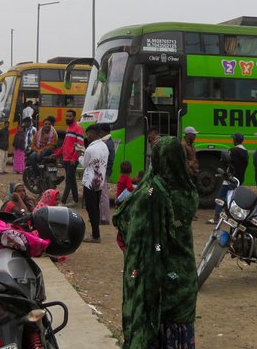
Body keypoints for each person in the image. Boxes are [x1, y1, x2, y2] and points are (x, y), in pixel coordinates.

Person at [113, 136, 198, 348]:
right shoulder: (190, 192)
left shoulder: (149, 193)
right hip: (183, 276)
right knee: (180, 328)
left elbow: (125, 220)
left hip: (156, 279)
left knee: (154, 327)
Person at [208, 132, 249, 224]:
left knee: (220, 198)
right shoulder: (245, 152)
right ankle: (235, 218)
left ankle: (216, 218)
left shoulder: (233, 150)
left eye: (233, 138)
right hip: (239, 179)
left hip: (229, 179)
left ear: (235, 140)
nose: (232, 140)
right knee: (234, 199)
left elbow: (225, 162)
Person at [81, 123, 108, 243]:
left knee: (91, 208)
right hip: (100, 182)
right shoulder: (104, 146)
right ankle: (95, 233)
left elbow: (84, 164)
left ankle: (95, 235)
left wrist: (79, 156)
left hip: (90, 182)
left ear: (97, 134)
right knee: (95, 208)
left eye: (89, 133)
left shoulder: (90, 149)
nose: (88, 136)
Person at [60, 110, 85, 207]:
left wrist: (74, 158)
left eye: (70, 116)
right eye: (67, 116)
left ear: (74, 117)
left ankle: (63, 201)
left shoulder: (78, 129)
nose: (68, 118)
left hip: (72, 159)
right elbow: (65, 143)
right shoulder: (68, 128)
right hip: (66, 158)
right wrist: (58, 153)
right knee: (72, 180)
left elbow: (80, 145)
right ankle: (75, 200)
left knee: (69, 180)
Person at [99, 123, 116, 224]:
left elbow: (109, 160)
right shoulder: (107, 141)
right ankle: (102, 216)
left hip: (104, 172)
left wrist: (105, 172)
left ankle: (104, 218)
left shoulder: (107, 143)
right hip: (105, 171)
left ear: (104, 132)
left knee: (103, 195)